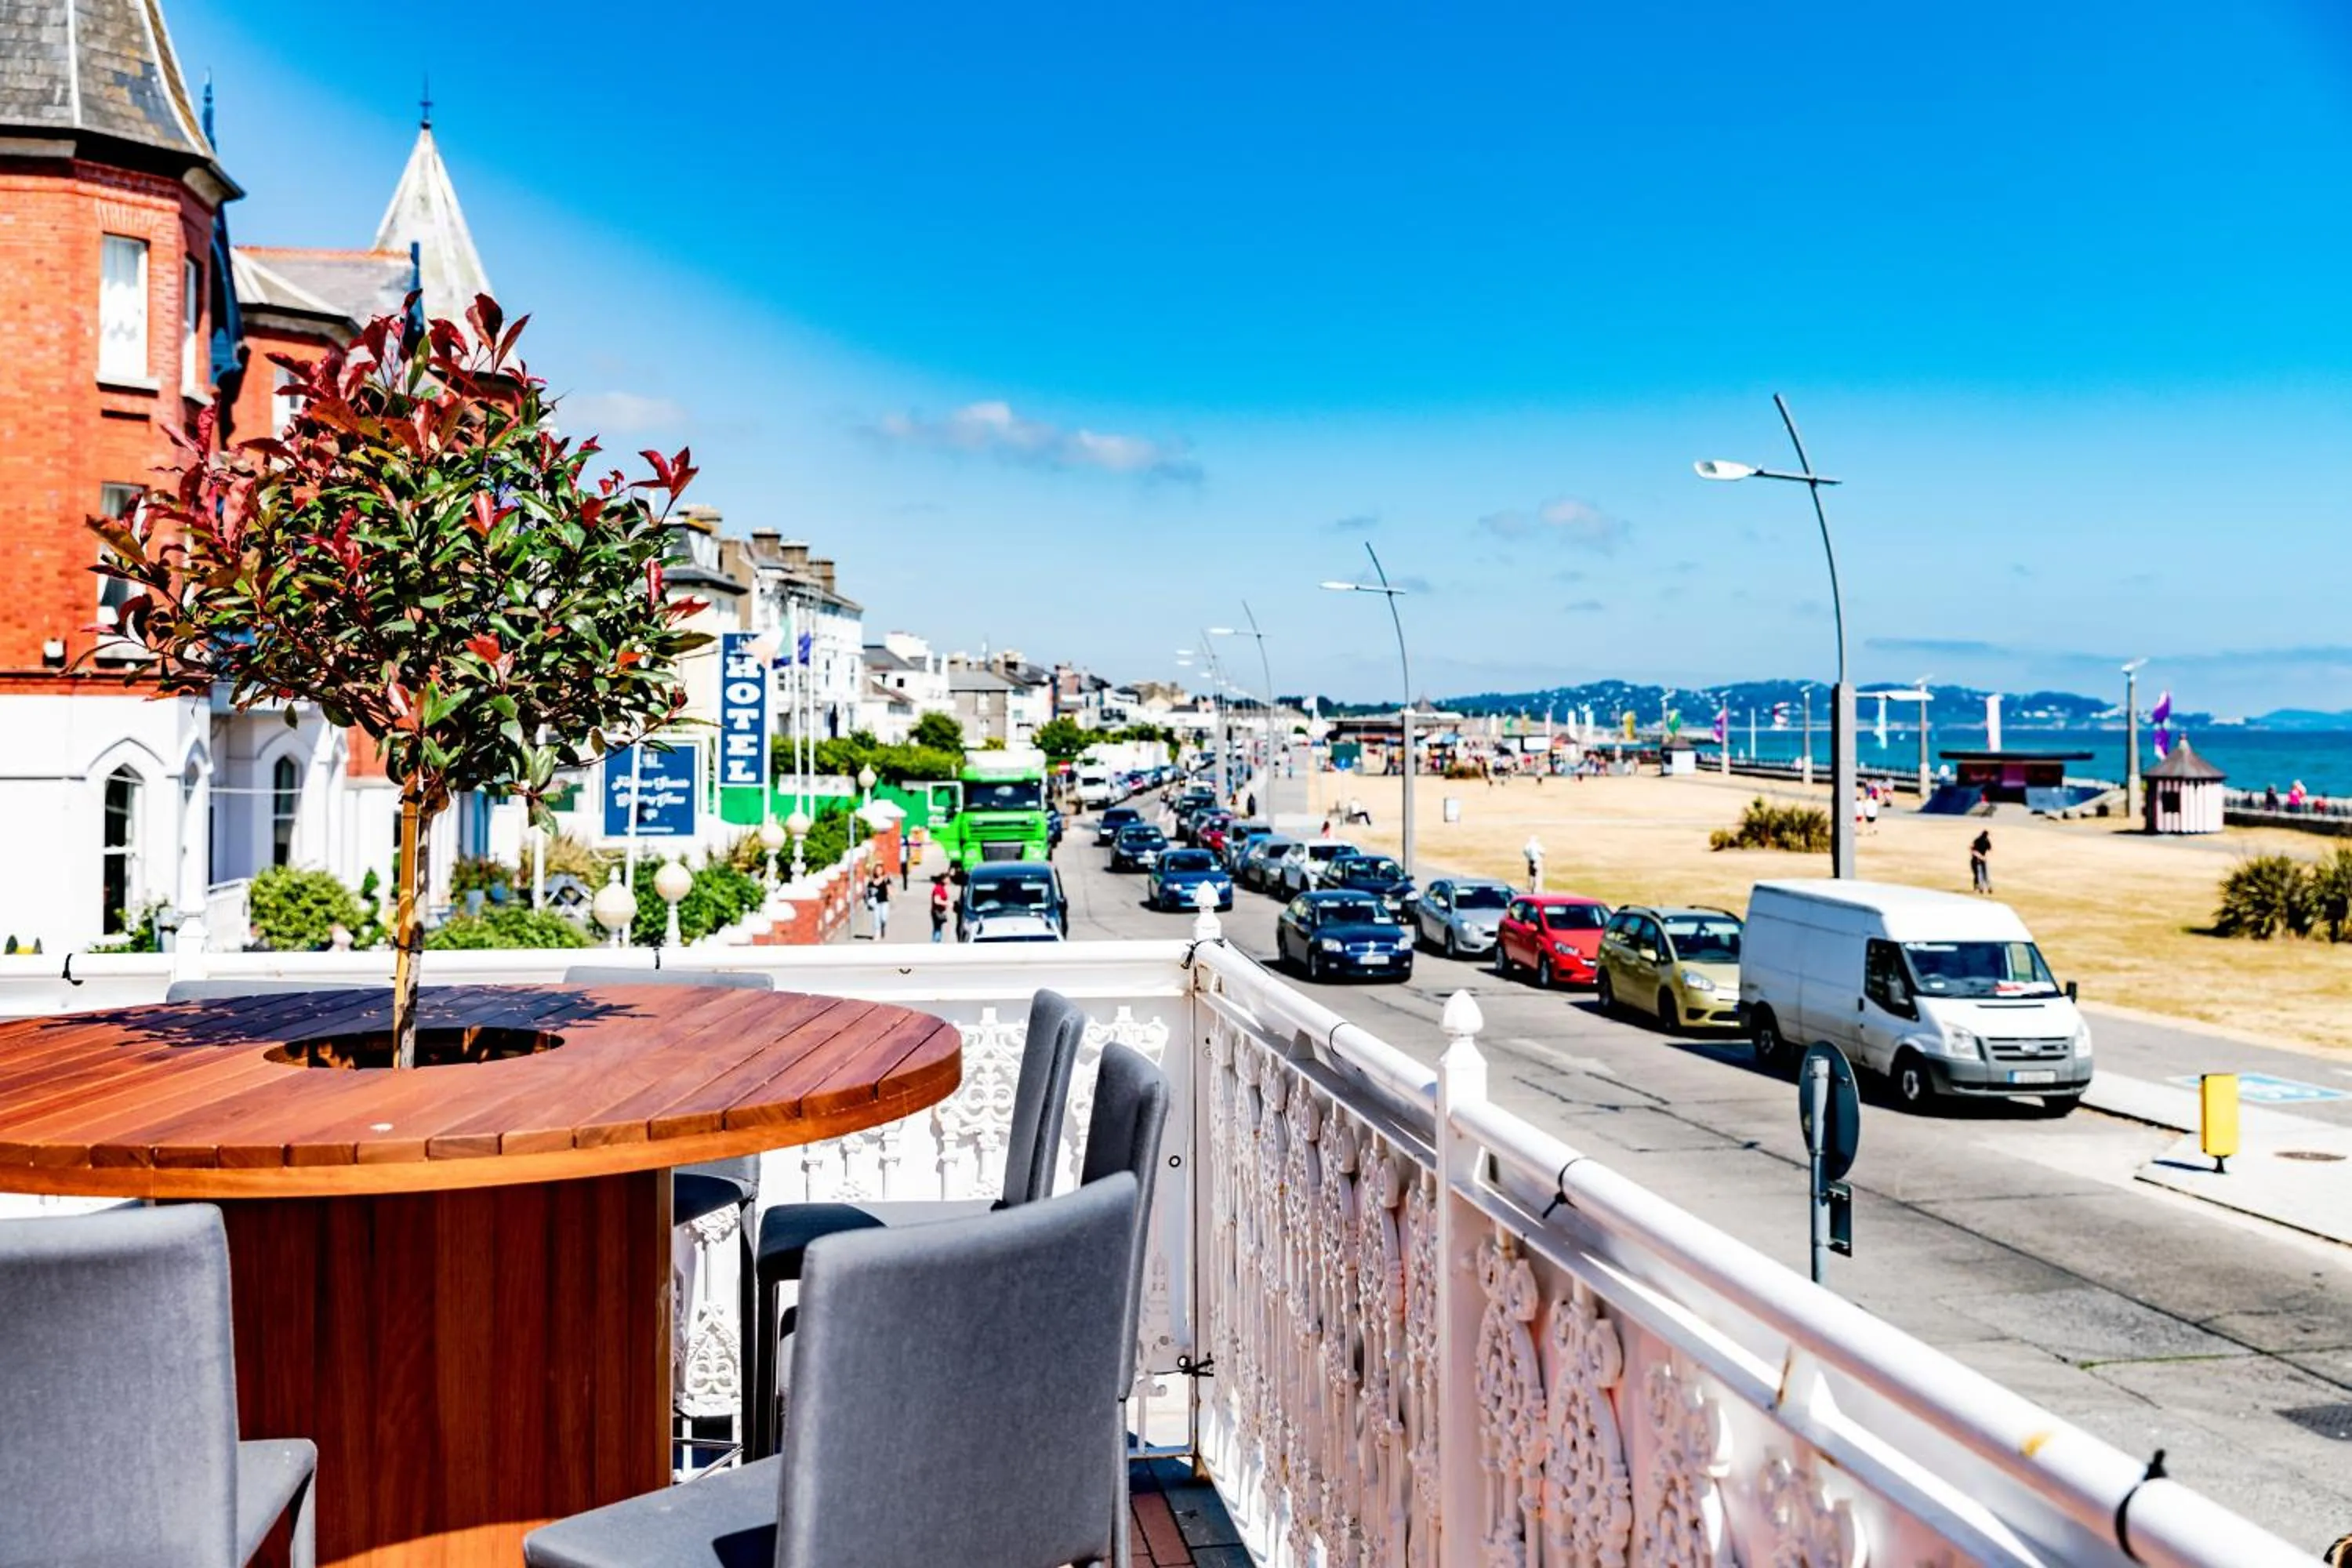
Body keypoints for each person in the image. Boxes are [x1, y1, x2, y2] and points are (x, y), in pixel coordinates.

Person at [866, 868, 891, 940]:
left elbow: (888, 888)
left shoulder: (886, 879)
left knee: (884, 918)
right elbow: (875, 883)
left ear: (882, 871)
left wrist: (893, 895)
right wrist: (884, 877)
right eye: (877, 870)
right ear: (875, 871)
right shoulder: (872, 879)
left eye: (880, 870)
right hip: (876, 902)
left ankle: (883, 925)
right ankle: (877, 934)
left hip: (884, 901)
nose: (878, 871)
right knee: (876, 918)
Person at [929, 874, 951, 942]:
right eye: (948, 879)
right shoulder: (938, 888)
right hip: (937, 912)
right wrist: (948, 903)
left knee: (938, 929)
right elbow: (937, 901)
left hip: (939, 911)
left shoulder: (941, 887)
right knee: (937, 930)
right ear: (943, 880)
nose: (949, 880)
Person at [1969, 829, 1993, 895]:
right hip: (1981, 859)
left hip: (1978, 860)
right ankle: (1987, 888)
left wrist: (1979, 856)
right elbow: (1990, 849)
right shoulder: (1986, 840)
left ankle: (1981, 888)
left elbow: (1972, 848)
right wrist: (1982, 856)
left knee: (1980, 874)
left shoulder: (1978, 840)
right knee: (1984, 874)